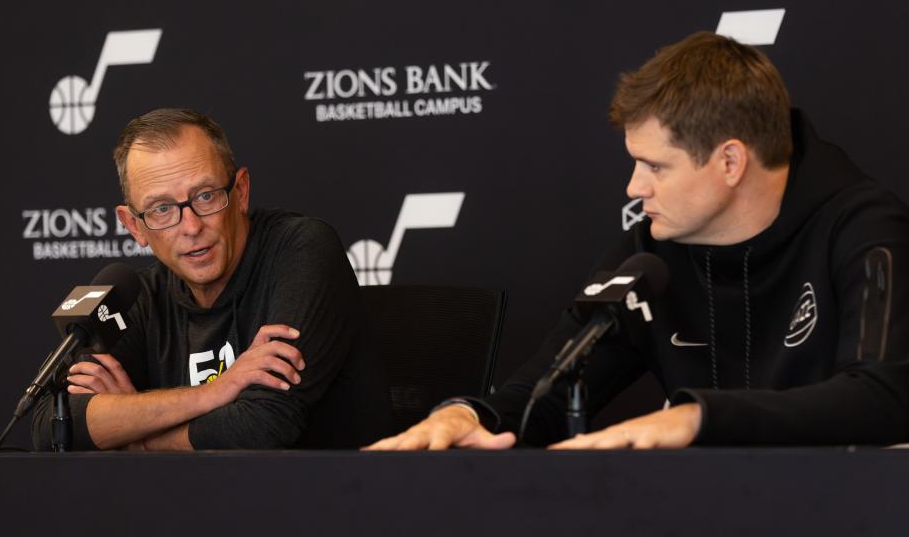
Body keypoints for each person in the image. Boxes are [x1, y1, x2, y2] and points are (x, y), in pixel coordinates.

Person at [368, 31, 909, 451]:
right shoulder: (647, 255)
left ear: (730, 161)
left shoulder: (864, 230)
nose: (633, 187)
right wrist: (470, 416)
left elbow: (886, 396)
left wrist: (699, 418)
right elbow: (543, 396)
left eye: (655, 165)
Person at [32, 109, 392, 450]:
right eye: (161, 209)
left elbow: (264, 425)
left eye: (205, 196)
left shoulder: (301, 250)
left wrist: (137, 435)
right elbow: (54, 423)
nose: (191, 227)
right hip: (198, 507)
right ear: (133, 225)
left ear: (241, 192)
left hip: (330, 501)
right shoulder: (139, 298)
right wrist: (215, 392)